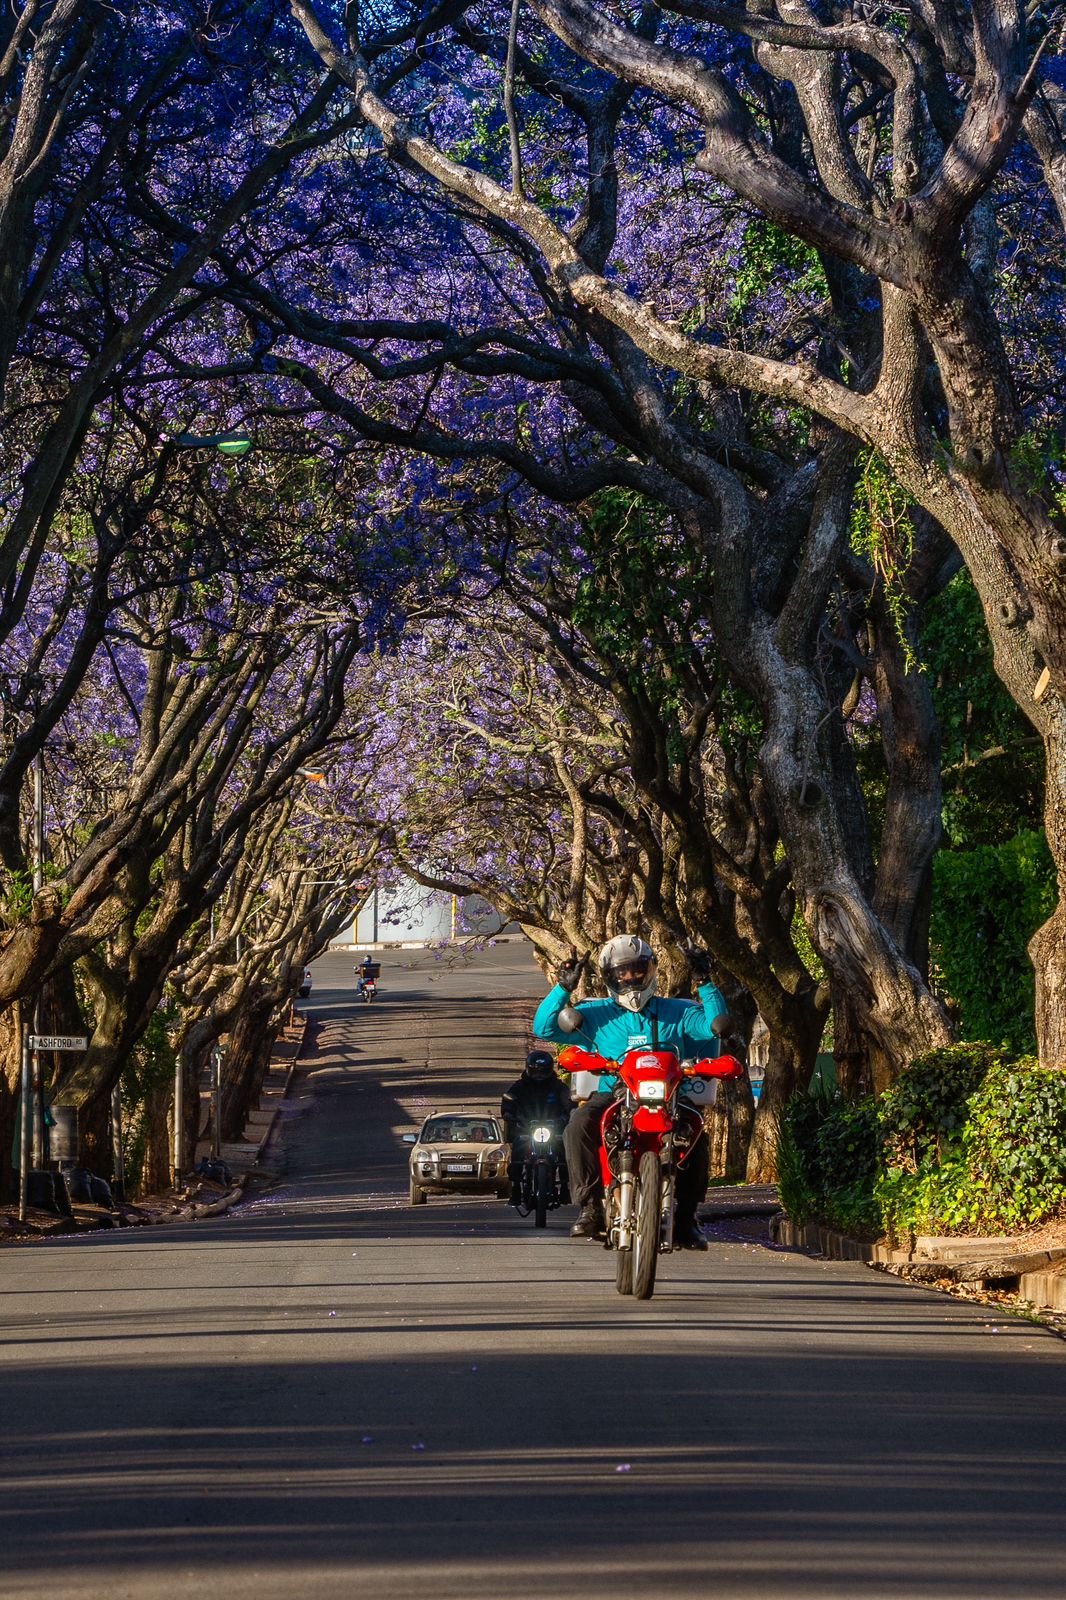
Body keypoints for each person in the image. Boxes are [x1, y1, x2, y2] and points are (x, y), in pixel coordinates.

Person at [532, 934, 733, 1248]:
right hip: (613, 1092)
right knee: (577, 1126)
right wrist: (564, 987)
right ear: (610, 977)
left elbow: (715, 1024)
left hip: (669, 1096)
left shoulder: (679, 1011)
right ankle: (589, 1207)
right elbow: (544, 1028)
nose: (630, 977)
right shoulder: (595, 1013)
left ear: (650, 970)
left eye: (637, 969)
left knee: (697, 1133)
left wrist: (704, 980)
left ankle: (687, 1217)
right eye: (621, 972)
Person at [500, 1049, 572, 1207]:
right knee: (518, 1151)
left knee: (564, 1151)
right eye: (535, 1071)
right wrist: (508, 1112)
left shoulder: (558, 1087)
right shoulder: (520, 1086)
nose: (539, 1076)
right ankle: (516, 1188)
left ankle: (565, 1188)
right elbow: (509, 1100)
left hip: (554, 1127)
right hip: (527, 1128)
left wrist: (567, 1114)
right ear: (528, 1069)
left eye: (543, 1072)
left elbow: (569, 1101)